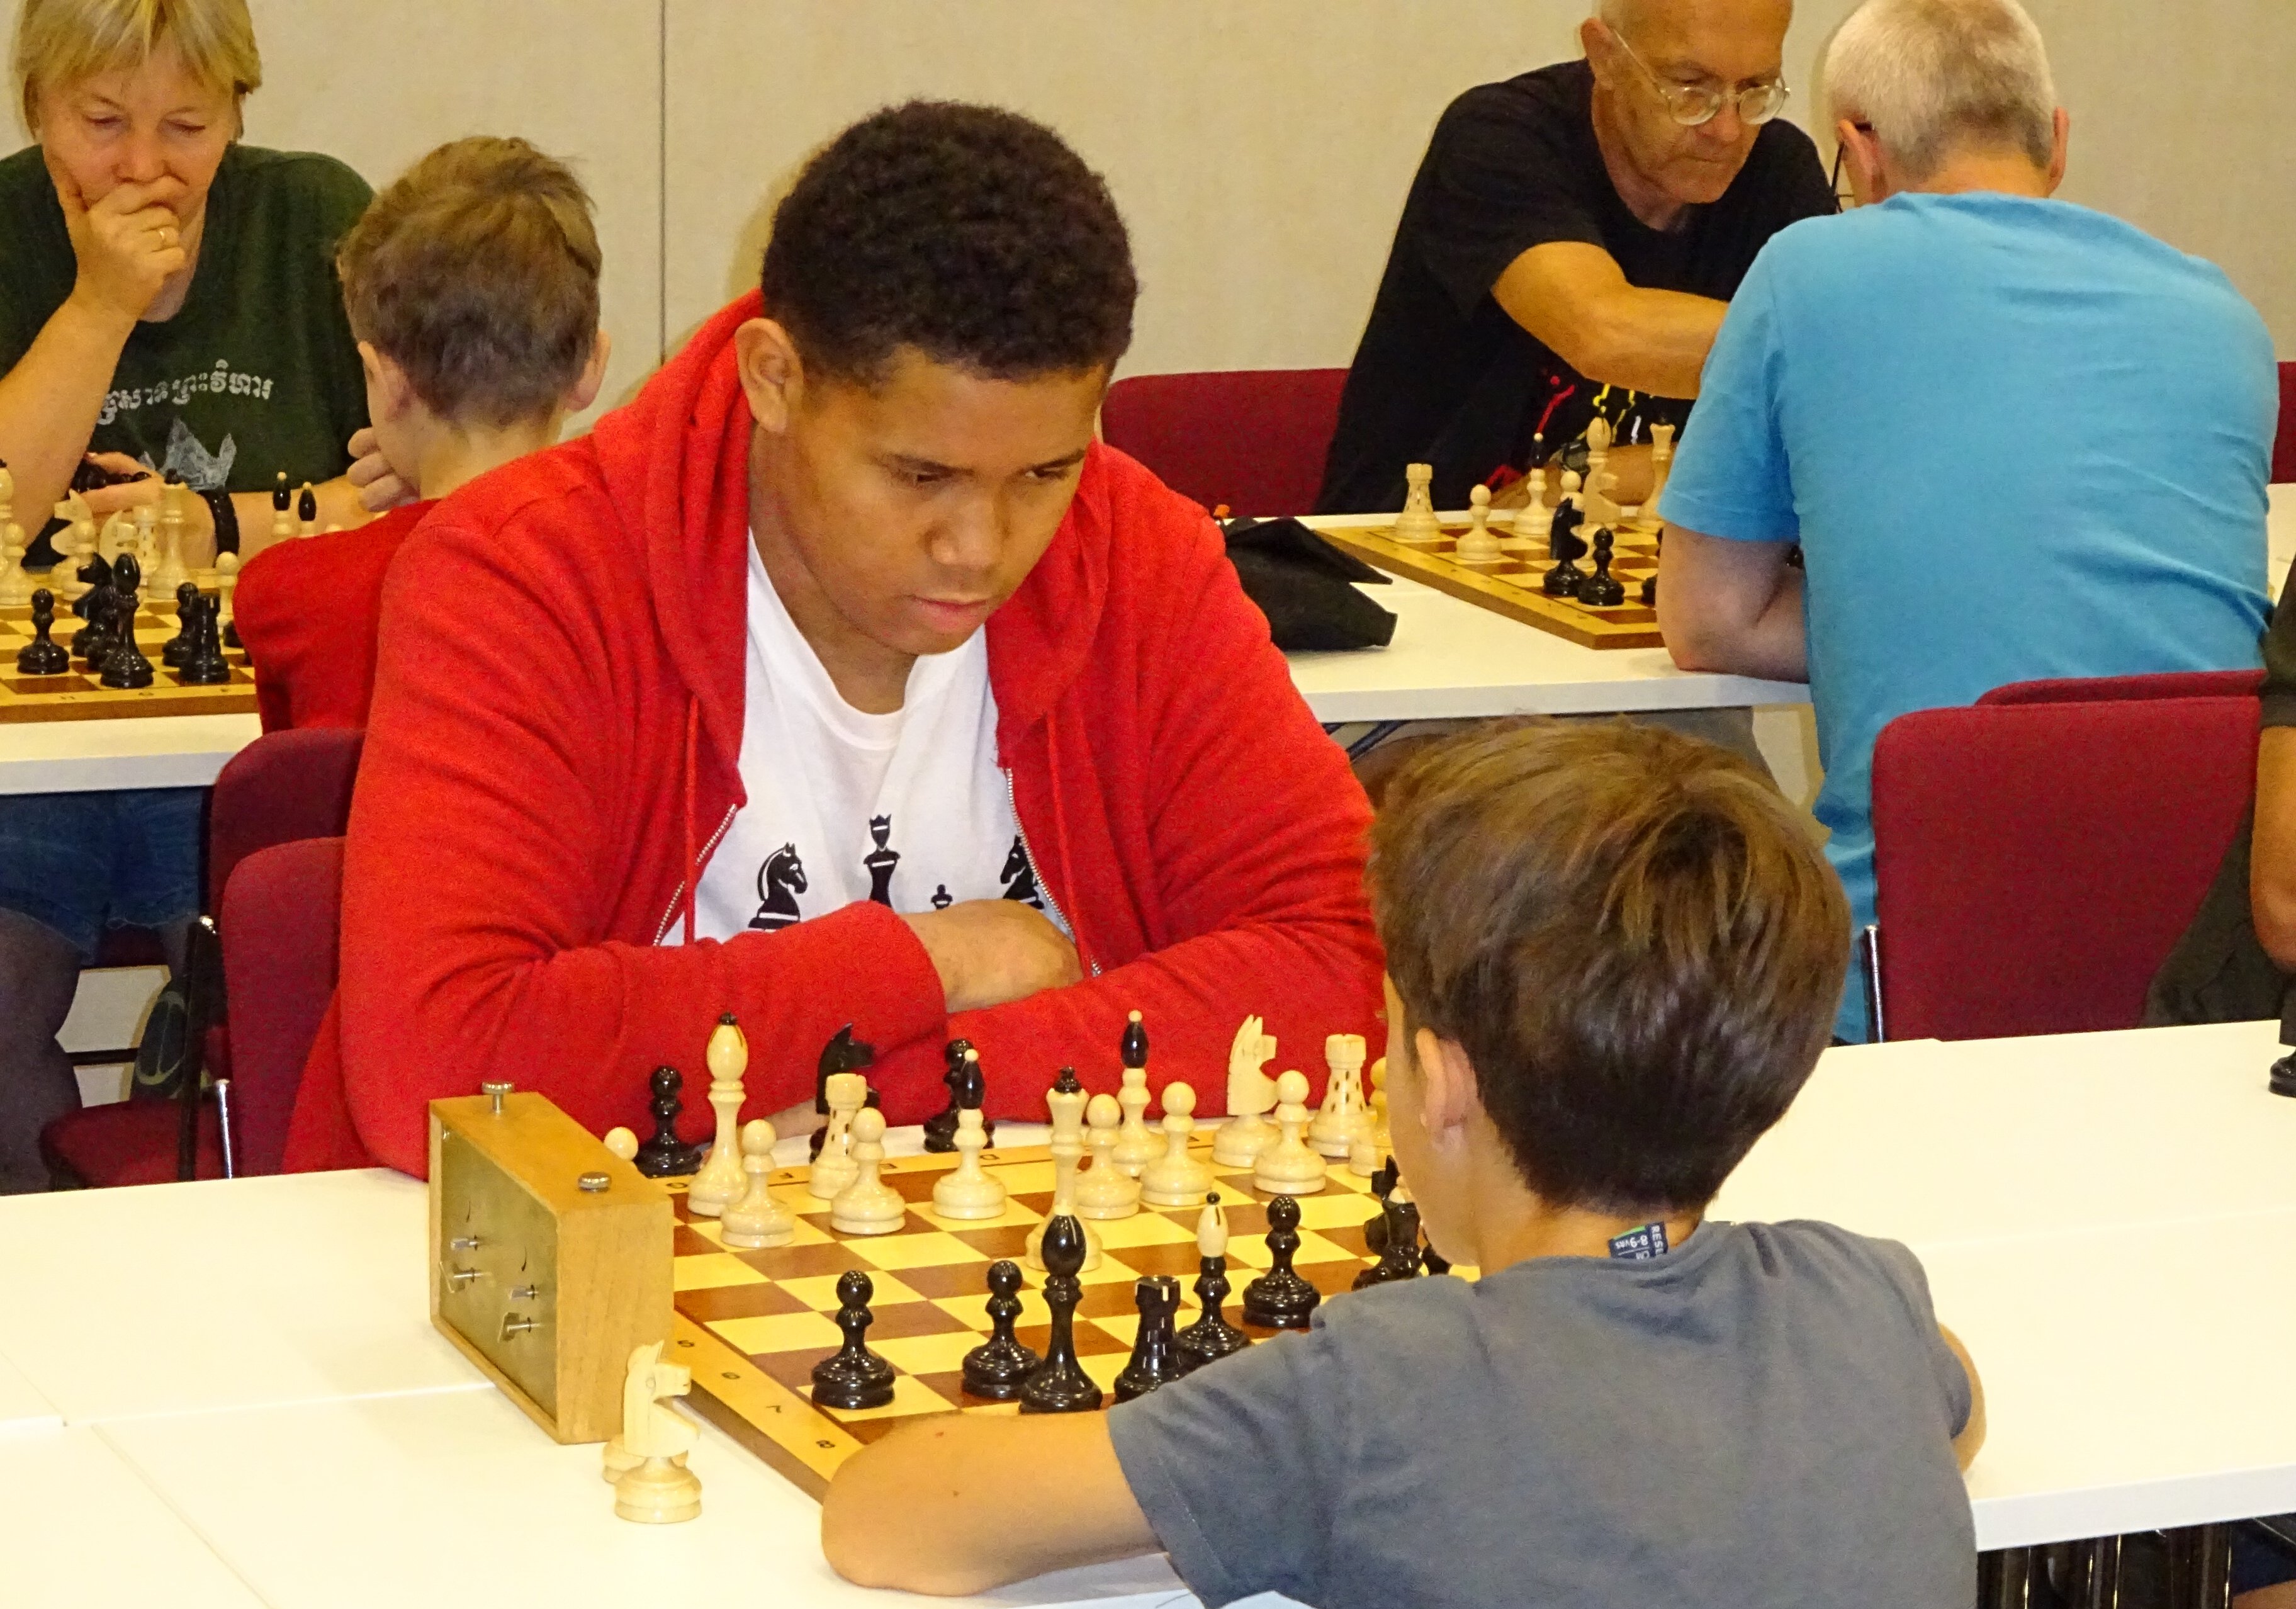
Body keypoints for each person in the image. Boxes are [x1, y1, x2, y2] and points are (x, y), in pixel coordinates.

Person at [281, 102, 1385, 1176]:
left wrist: (892, 1082)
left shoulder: (1137, 552)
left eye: (1043, 474)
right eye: (919, 476)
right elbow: (445, 1059)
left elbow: (1354, 960)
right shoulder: (523, 574)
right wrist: (929, 963)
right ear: (774, 379)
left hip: (1003, 1237)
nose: (979, 547)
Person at [819, 718, 1986, 1609]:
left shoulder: (1378, 1393)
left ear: (1441, 1084)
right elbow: (1955, 1412)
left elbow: (883, 1524)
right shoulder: (1863, 1302)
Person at [1658, 0, 2276, 1042]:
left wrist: (1896, 614)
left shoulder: (1807, 271)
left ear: (1859, 148)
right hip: (2215, 962)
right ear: (2057, 141)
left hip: (1920, 956)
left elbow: (1708, 621)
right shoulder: (2220, 311)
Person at [0, 0, 374, 1191]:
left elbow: (405, 487)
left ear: (239, 117)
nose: (145, 168)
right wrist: (98, 305)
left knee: (272, 996)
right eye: (103, 123)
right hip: (32, 751)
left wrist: (209, 522)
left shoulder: (317, 219)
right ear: (37, 109)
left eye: (188, 126)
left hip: (236, 732)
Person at [1314, 0, 1833, 515]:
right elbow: (1605, 333)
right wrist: (1838, 350)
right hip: (1407, 542)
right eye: (1690, 88)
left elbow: (1817, 439)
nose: (1727, 130)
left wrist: (1605, 473)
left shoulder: (1780, 170)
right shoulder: (1499, 138)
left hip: (1641, 542)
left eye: (1756, 89)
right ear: (1605, 57)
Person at [235, 137, 609, 731]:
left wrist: (419, 519)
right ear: (590, 366)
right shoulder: (634, 580)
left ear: (384, 380)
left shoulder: (285, 592)